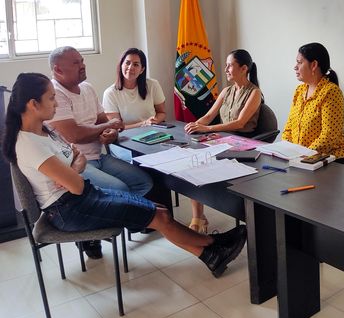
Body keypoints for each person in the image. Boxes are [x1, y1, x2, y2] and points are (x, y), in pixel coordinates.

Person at [1, 73, 247, 278]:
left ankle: (211, 254)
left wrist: (72, 168)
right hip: (68, 210)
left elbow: (77, 157)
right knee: (160, 216)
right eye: (51, 98)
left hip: (81, 196)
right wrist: (74, 167)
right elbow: (75, 184)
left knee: (159, 210)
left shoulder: (46, 131)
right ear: (33, 104)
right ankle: (214, 246)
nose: (55, 104)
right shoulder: (30, 144)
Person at [47, 46, 153, 258]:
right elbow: (74, 135)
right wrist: (108, 126)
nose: (83, 65)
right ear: (58, 70)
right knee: (120, 188)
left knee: (144, 182)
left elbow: (104, 122)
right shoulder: (54, 93)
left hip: (98, 156)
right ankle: (91, 233)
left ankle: (122, 217)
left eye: (82, 60)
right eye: (76, 63)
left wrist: (109, 132)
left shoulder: (87, 88)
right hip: (74, 163)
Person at [184, 49, 262, 233]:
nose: (226, 69)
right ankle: (198, 216)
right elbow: (209, 116)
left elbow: (240, 123)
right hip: (223, 140)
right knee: (193, 162)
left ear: (244, 68)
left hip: (243, 144)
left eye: (229, 65)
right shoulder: (226, 91)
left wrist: (208, 129)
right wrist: (195, 125)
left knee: (203, 162)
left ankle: (205, 215)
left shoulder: (254, 92)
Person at [282, 42, 344, 160]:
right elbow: (288, 129)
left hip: (330, 160)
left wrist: (303, 155)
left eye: (299, 62)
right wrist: (286, 151)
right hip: (301, 158)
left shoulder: (331, 92)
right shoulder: (299, 91)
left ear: (314, 65)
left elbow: (328, 137)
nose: (295, 67)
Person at [103, 48, 167, 129]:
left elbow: (161, 113)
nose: (130, 67)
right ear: (121, 65)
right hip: (126, 134)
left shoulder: (153, 85)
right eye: (127, 63)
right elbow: (116, 127)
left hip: (153, 130)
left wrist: (154, 121)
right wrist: (144, 123)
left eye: (136, 64)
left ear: (142, 70)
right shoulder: (110, 93)